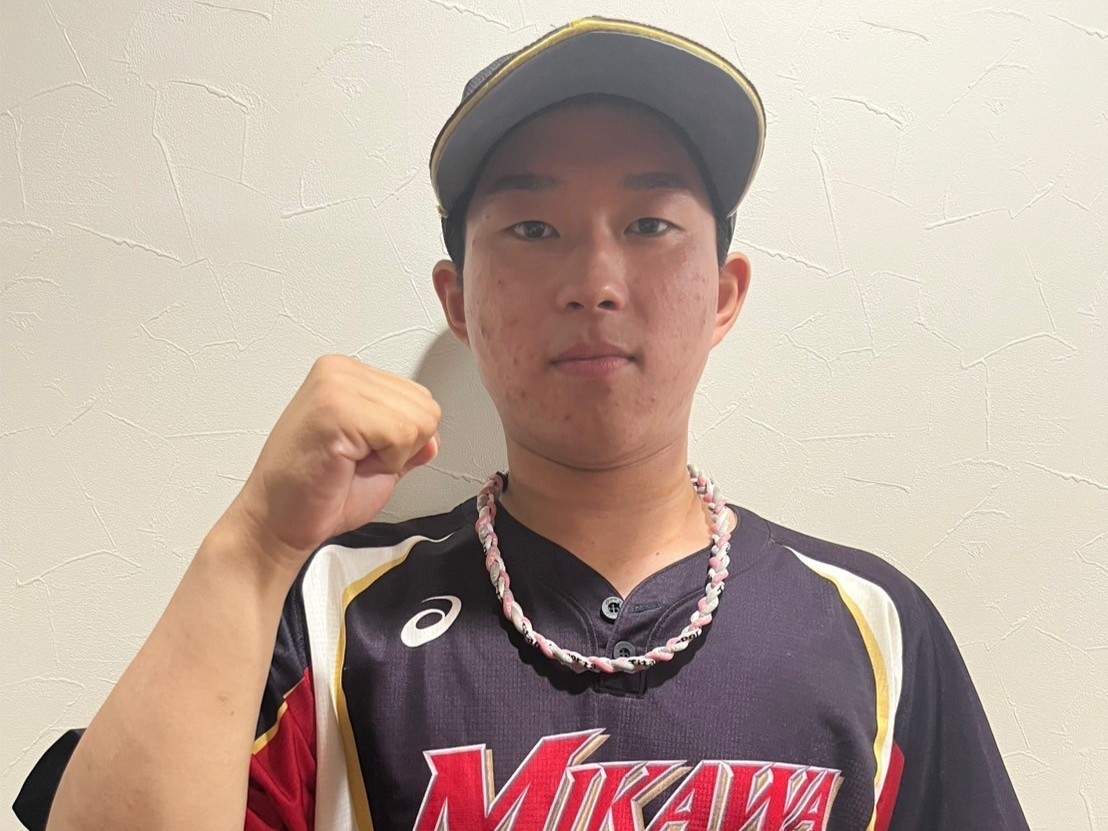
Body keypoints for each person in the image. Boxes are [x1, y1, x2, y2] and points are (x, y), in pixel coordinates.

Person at [14, 16, 1028, 831]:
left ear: (723, 294)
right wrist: (253, 543)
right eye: (534, 228)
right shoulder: (324, 611)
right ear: (457, 300)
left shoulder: (873, 625)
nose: (595, 281)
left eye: (649, 225)